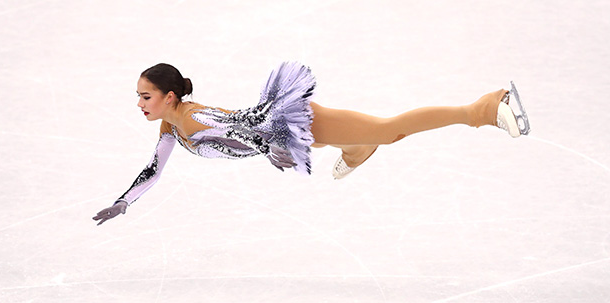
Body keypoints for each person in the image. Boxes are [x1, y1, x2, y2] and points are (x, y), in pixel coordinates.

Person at [93, 61, 529, 225]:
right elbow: (153, 168)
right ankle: (356, 151)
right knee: (365, 138)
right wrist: (125, 201)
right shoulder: (170, 128)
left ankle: (483, 109)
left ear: (170, 97)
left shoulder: (190, 117)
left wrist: (269, 149)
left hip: (296, 123)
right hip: (289, 136)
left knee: (389, 130)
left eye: (145, 96)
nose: (139, 103)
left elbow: (234, 128)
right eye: (138, 96)